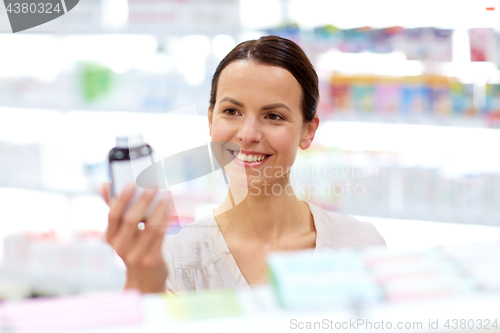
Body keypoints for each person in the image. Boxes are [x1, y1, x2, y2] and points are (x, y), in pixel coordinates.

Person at [100, 35, 386, 295]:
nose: (248, 134)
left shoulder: (360, 244)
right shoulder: (174, 261)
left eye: (273, 116)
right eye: (231, 111)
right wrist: (145, 284)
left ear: (308, 131)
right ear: (211, 120)